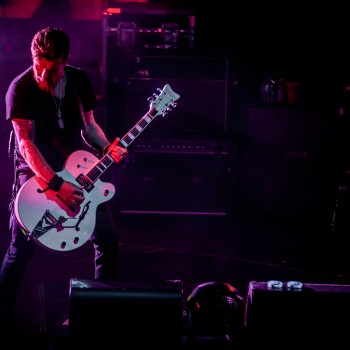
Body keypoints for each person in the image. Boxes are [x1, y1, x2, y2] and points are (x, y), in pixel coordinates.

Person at [0, 27, 127, 333]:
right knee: (22, 247)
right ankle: (1, 313)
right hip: (36, 169)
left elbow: (91, 127)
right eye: (39, 67)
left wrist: (107, 147)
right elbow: (25, 144)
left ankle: (100, 310)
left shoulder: (79, 79)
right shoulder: (20, 89)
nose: (45, 76)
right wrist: (55, 185)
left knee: (107, 239)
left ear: (65, 61)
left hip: (75, 163)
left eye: (53, 69)